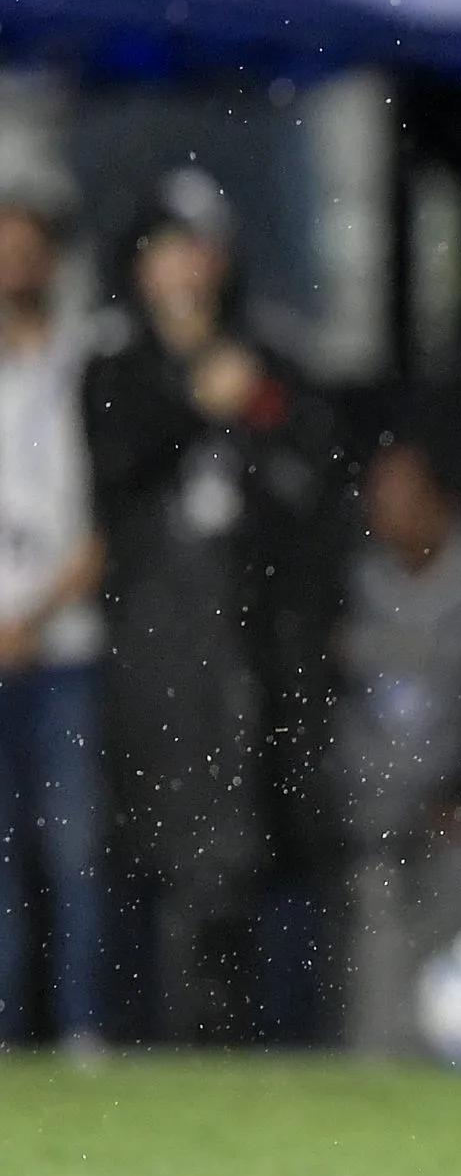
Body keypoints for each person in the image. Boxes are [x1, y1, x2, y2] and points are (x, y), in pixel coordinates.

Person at [85, 175, 344, 1041]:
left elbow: (315, 484)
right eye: (168, 249)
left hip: (262, 648)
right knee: (149, 853)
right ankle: (143, 1039)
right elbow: (114, 472)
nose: (186, 269)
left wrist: (250, 406)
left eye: (200, 248)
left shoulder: (271, 359)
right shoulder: (116, 365)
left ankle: (282, 1041)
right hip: (156, 651)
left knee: (273, 850)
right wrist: (196, 395)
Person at [338, 429, 461, 1054]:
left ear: (441, 500)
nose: (382, 510)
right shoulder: (356, 578)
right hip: (375, 816)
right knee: (379, 984)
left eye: (399, 495)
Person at [0, 200, 105, 1054]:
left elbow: (111, 517)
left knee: (74, 850)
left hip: (65, 642)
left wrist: (33, 617)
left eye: (28, 252)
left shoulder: (87, 367)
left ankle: (81, 1029)